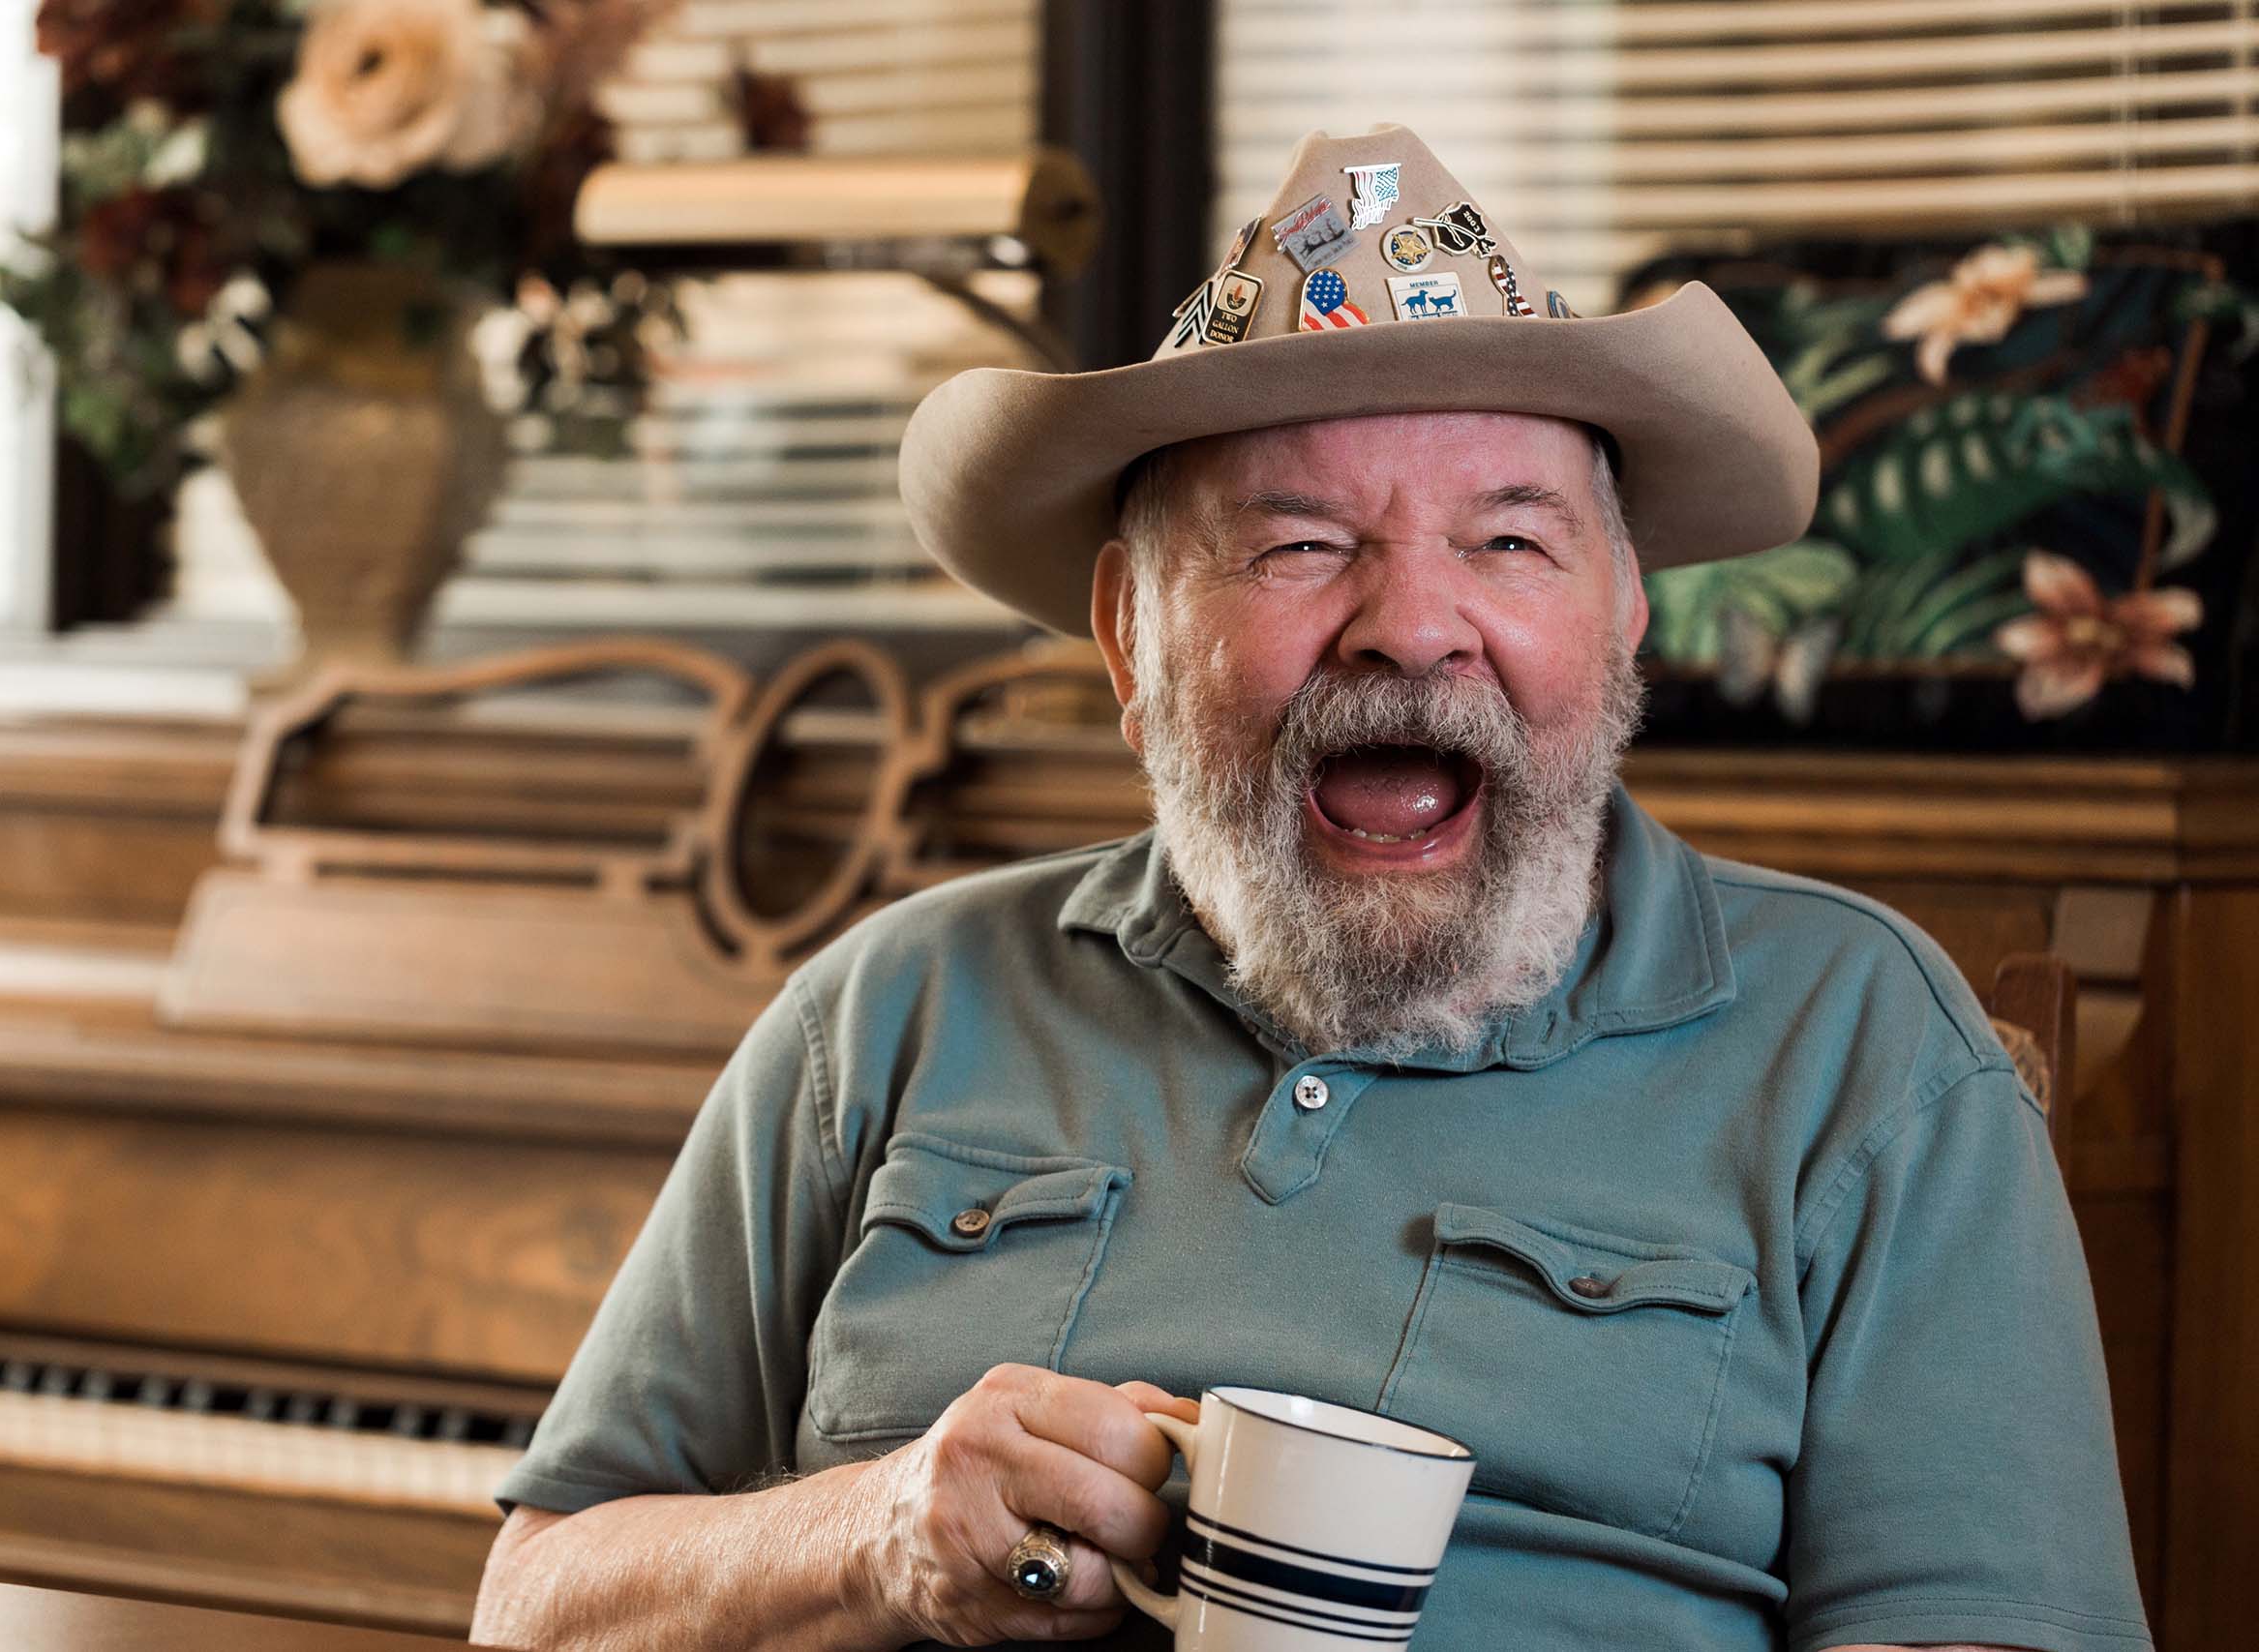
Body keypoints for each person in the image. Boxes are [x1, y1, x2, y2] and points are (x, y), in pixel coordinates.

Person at [471, 125, 2149, 1652]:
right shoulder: (891, 1008)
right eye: (1297, 545)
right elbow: (535, 1605)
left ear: (1624, 614)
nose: (1410, 626)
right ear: (1132, 633)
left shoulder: (1863, 1049)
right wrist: (868, 1533)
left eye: (1509, 542)